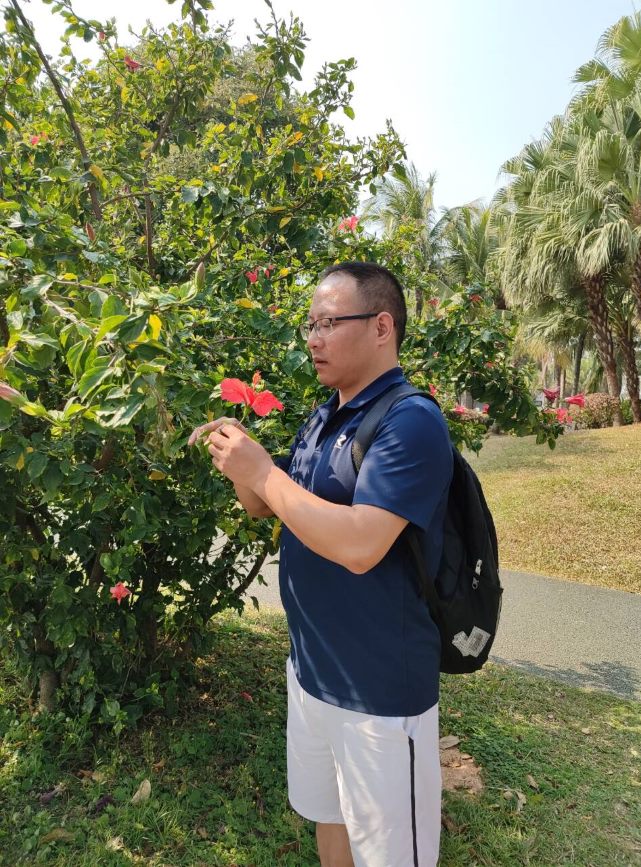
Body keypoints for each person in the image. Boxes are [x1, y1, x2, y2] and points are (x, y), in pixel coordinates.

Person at [189, 262, 453, 866]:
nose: (313, 338)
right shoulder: (325, 415)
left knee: (390, 856)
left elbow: (361, 545)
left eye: (329, 323)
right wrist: (242, 462)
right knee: (329, 819)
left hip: (380, 694)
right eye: (310, 324)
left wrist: (263, 472)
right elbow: (265, 505)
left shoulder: (410, 420)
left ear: (382, 326)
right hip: (312, 672)